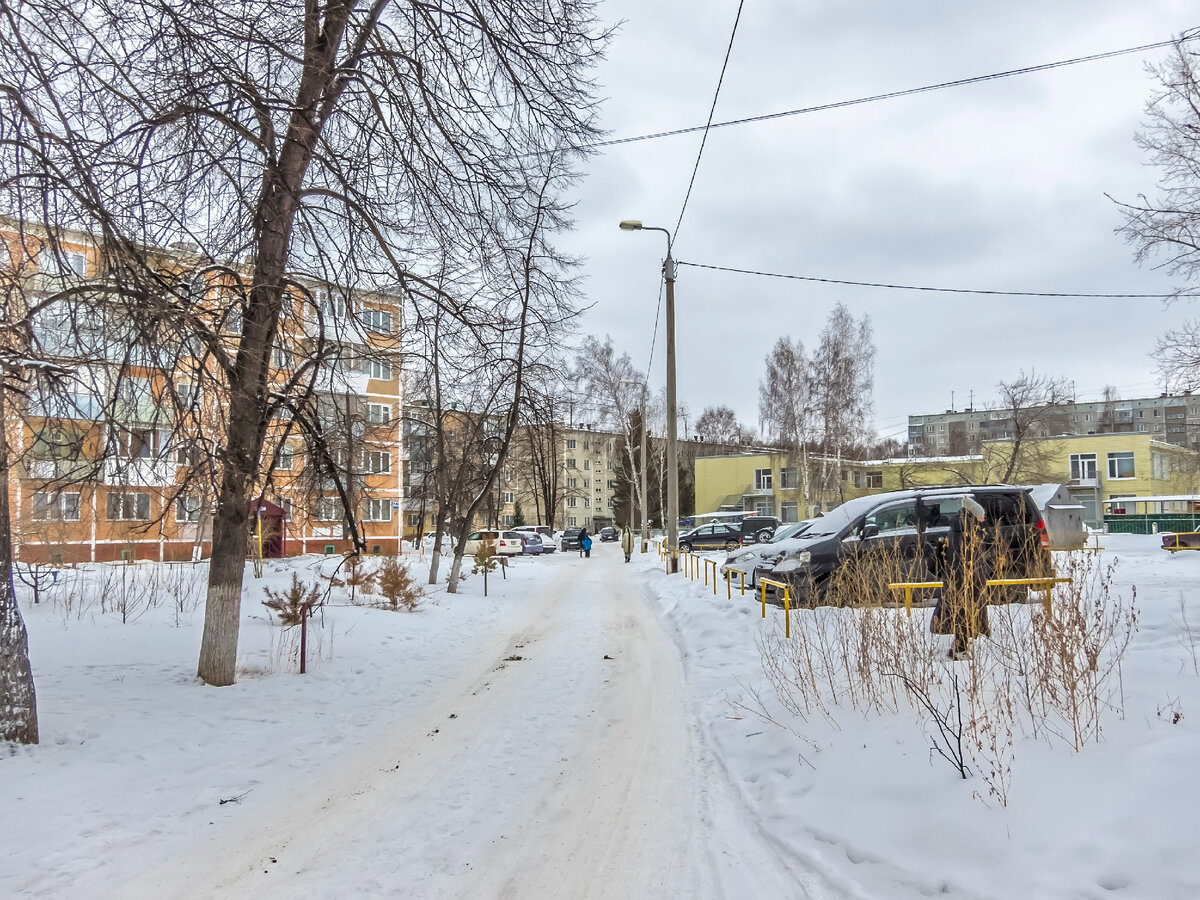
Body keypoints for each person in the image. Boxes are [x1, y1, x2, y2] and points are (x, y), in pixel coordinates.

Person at [931, 496, 992, 659]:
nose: (983, 518)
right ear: (973, 515)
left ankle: (960, 646)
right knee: (964, 614)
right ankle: (959, 649)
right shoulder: (969, 533)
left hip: (956, 580)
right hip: (966, 580)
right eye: (981, 515)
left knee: (961, 614)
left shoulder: (956, 531)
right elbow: (975, 560)